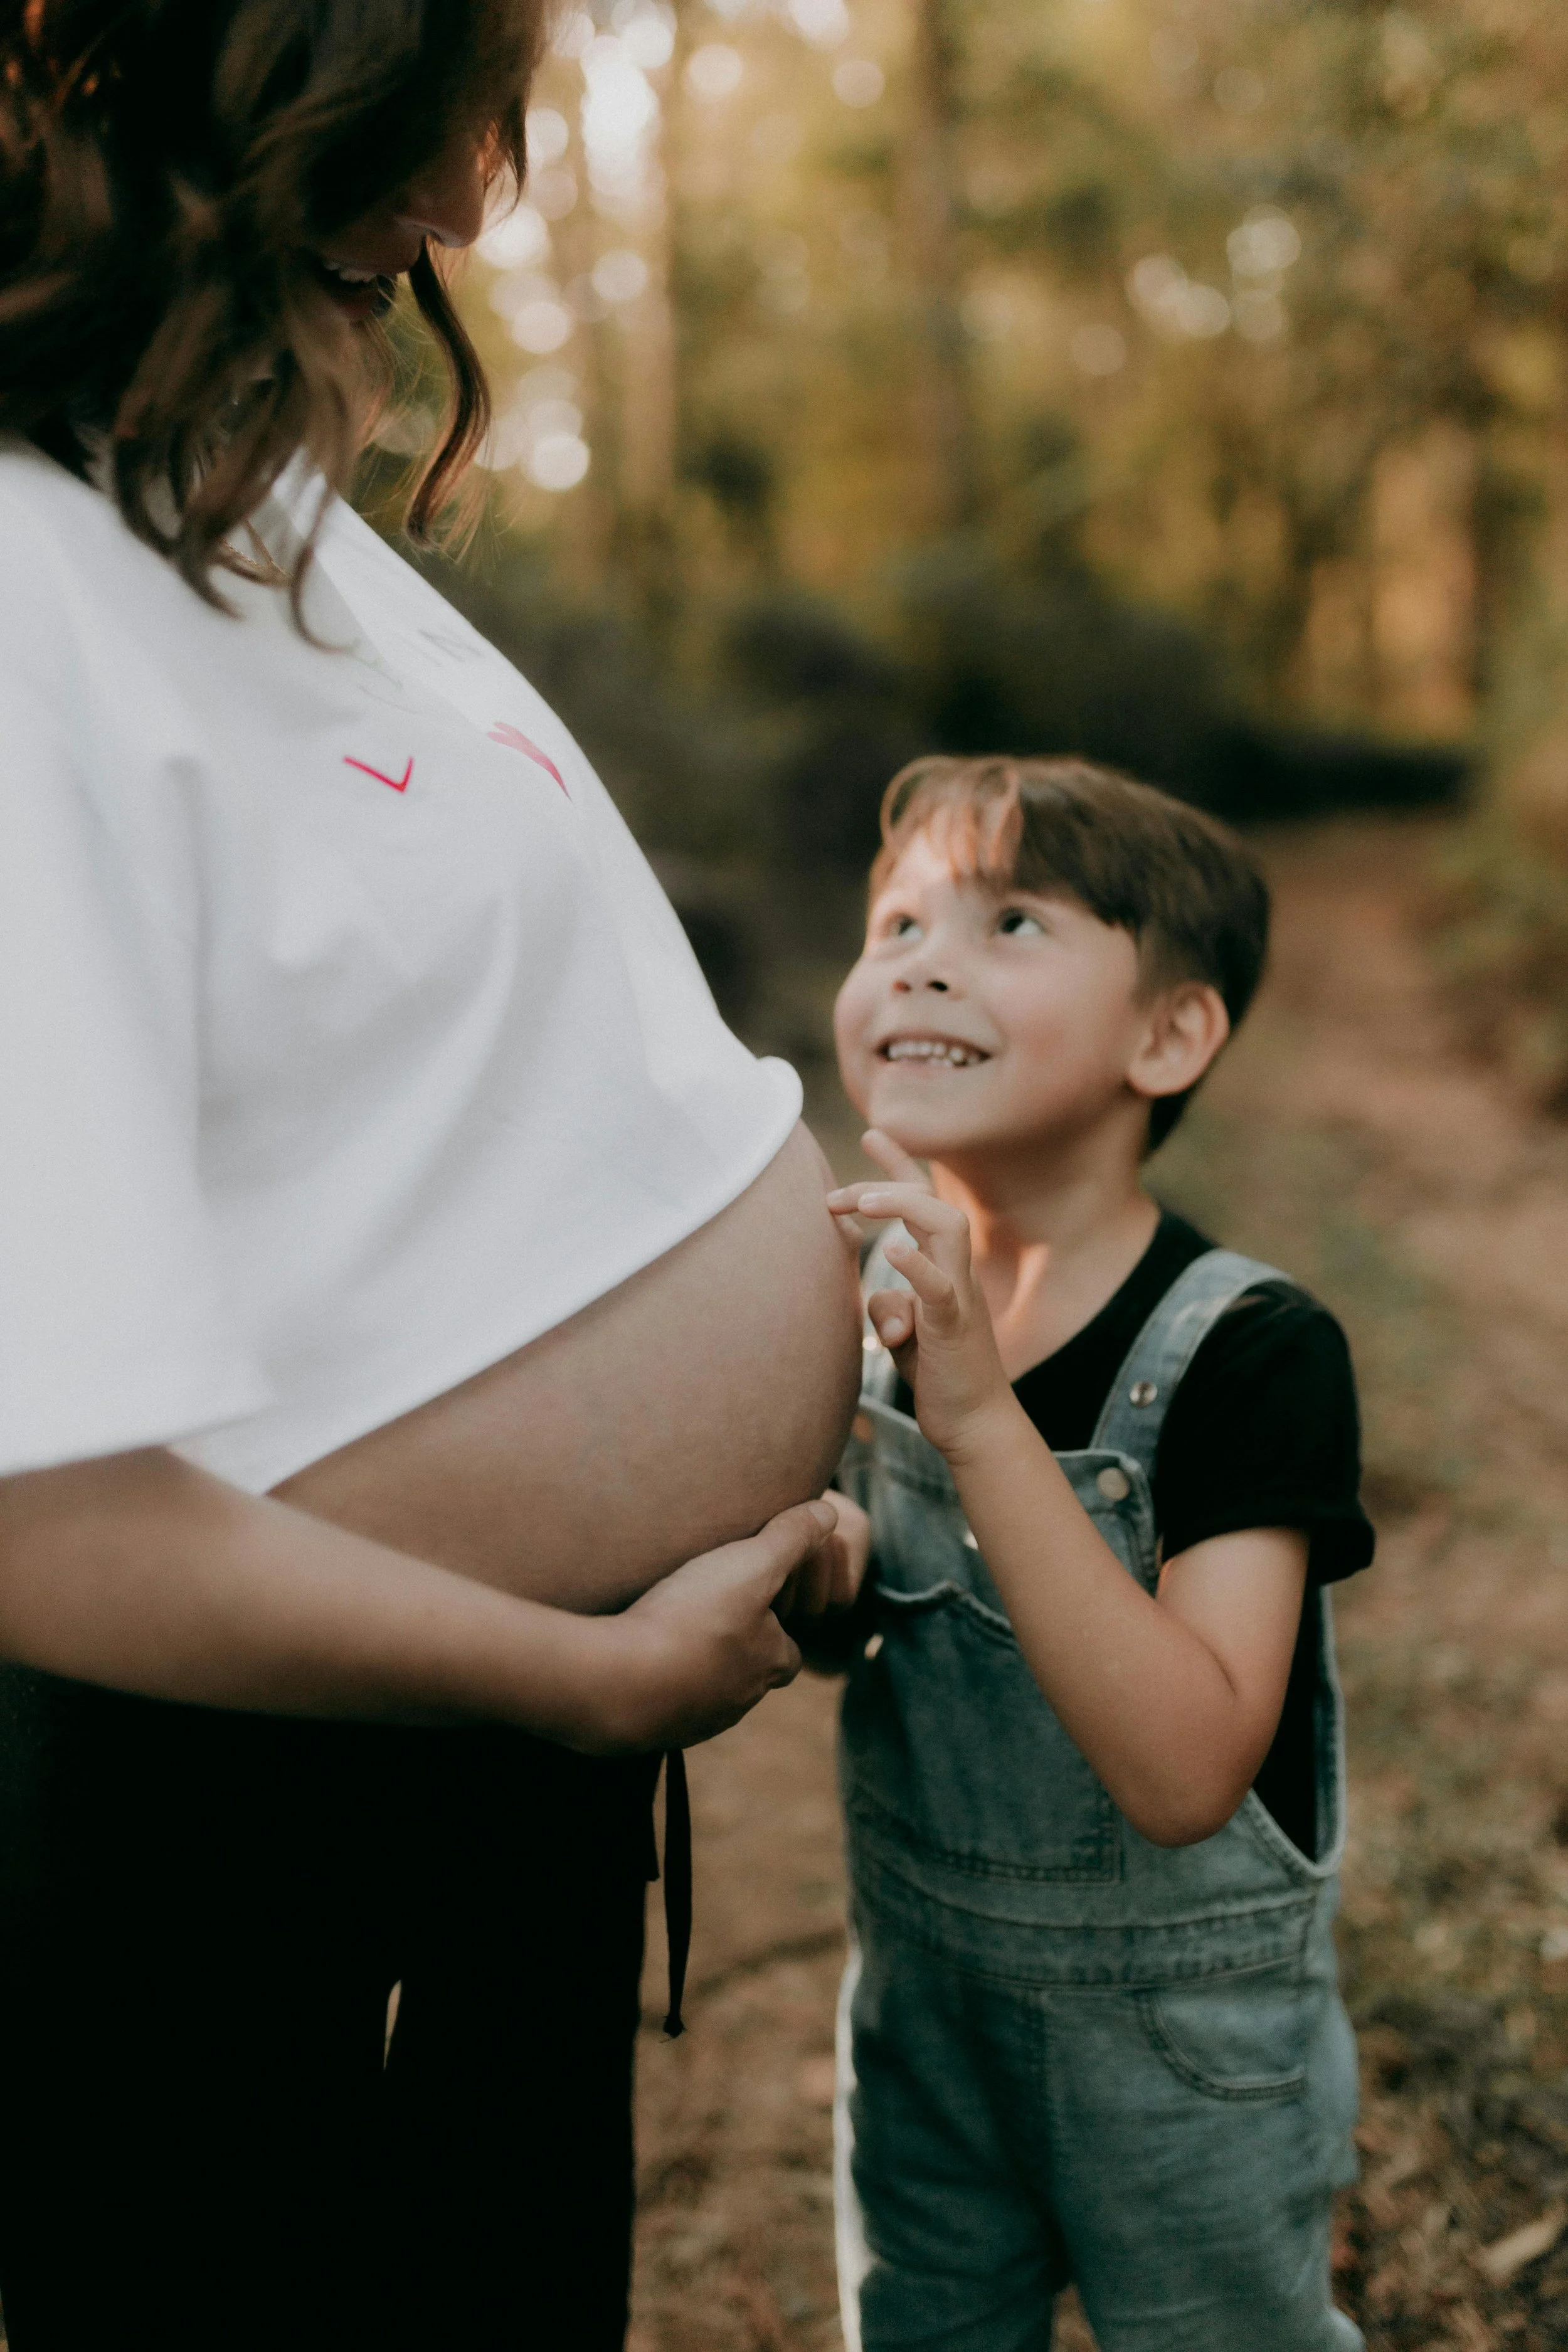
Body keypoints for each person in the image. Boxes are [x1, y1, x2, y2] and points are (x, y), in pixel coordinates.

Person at [0, 4, 865, 2346]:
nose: (480, 204)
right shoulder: (18, 597)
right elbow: (39, 1513)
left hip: (490, 1768)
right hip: (244, 1803)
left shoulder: (264, 513)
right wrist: (571, 1678)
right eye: (434, 124)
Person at [820, 755, 1374, 2351]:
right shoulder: (874, 1316)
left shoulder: (1249, 1352)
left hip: (1181, 2056)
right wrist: (828, 1589)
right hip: (920, 2019)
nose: (922, 957)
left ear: (1168, 1034)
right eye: (897, 920)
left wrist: (979, 1413)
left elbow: (1186, 1764)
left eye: (1007, 924)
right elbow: (899, 1643)